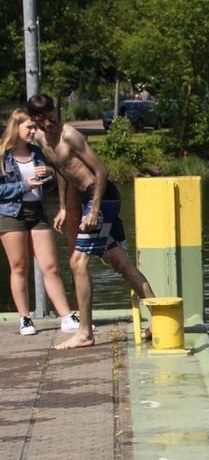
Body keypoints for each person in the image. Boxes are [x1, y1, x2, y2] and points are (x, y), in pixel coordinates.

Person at [26, 93, 155, 349]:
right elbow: (62, 171)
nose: (50, 123)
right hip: (88, 198)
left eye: (52, 117)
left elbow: (101, 171)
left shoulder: (70, 135)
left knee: (77, 262)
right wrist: (63, 206)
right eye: (43, 120)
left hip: (102, 196)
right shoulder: (42, 139)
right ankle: (159, 318)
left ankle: (85, 332)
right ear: (35, 120)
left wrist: (94, 209)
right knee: (120, 263)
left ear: (56, 111)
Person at [0, 109, 79, 336]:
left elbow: (50, 183)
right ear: (16, 128)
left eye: (35, 127)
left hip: (37, 212)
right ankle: (25, 318)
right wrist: (26, 185)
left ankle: (66, 316)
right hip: (10, 214)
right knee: (19, 267)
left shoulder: (36, 152)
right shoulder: (2, 154)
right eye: (30, 127)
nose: (34, 131)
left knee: (51, 266)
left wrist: (49, 175)